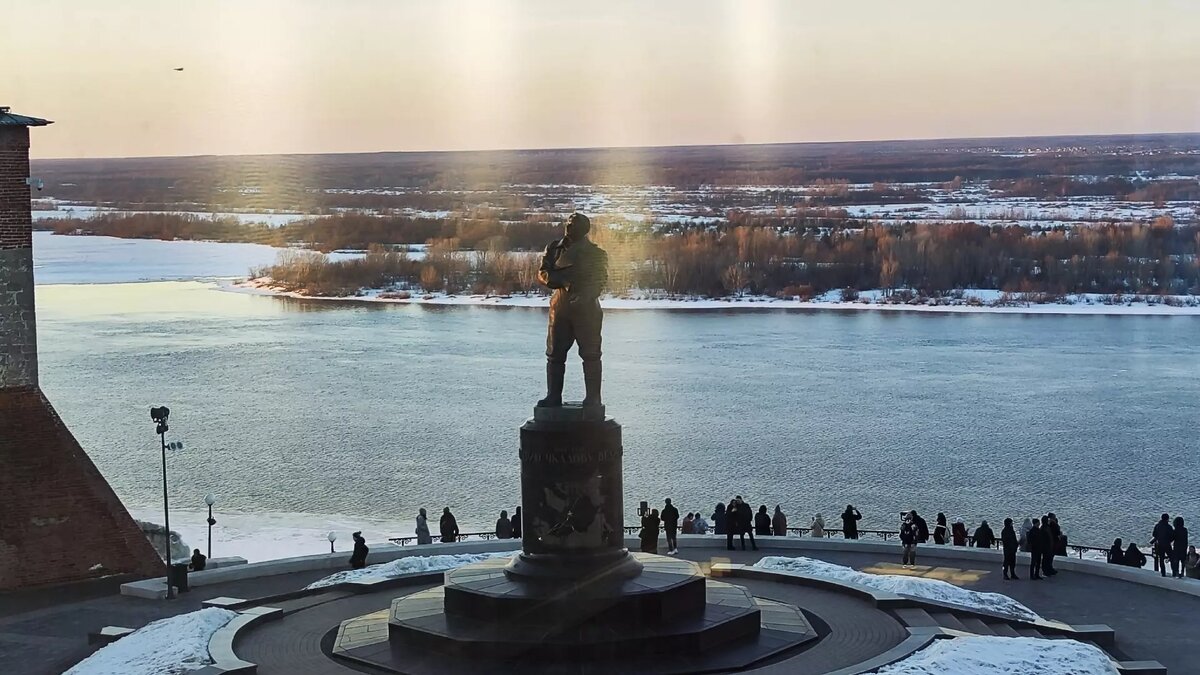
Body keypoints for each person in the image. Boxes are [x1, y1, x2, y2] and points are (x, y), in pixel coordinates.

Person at [536, 212, 609, 408]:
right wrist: (564, 281)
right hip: (559, 308)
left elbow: (600, 280)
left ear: (584, 229)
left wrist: (585, 296)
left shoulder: (596, 254)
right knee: (554, 354)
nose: (569, 227)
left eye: (574, 224)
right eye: (568, 223)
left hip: (586, 310)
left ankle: (593, 399)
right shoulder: (553, 249)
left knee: (591, 354)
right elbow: (543, 273)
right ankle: (553, 396)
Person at [1152, 513, 1174, 578]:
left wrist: (1159, 538)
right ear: (1167, 519)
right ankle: (1174, 572)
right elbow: (1172, 536)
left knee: (1161, 559)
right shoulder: (1169, 527)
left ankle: (1163, 573)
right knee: (1172, 558)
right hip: (1167, 544)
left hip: (1160, 544)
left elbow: (1154, 534)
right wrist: (1169, 541)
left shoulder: (1157, 526)